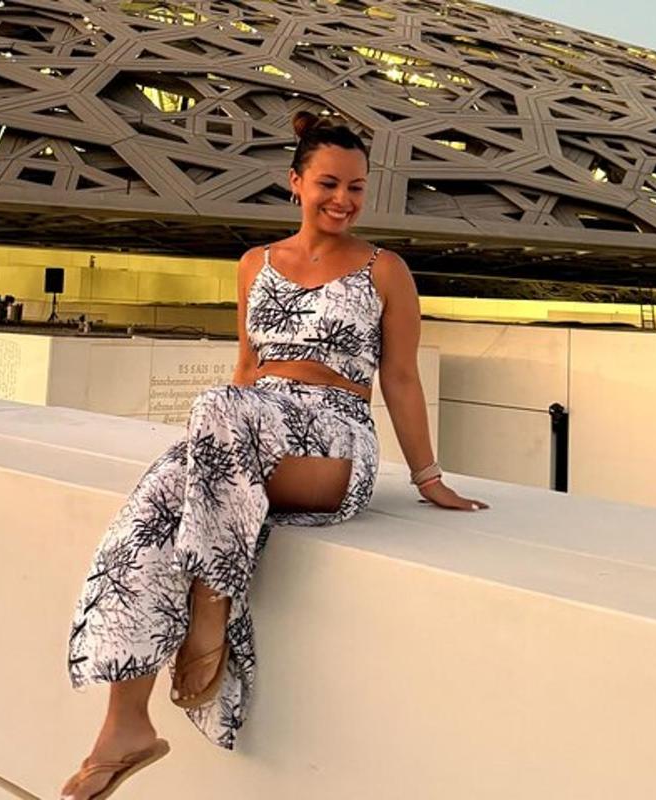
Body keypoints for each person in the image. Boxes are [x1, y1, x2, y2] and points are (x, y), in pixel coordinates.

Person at [59, 110, 488, 800]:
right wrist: (213, 442)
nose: (343, 200)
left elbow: (402, 379)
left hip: (334, 441)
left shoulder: (385, 270)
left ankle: (212, 606)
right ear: (295, 183)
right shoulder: (254, 264)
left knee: (211, 420)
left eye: (356, 187)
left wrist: (428, 476)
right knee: (153, 504)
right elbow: (245, 368)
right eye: (328, 184)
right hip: (249, 425)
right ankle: (125, 724)